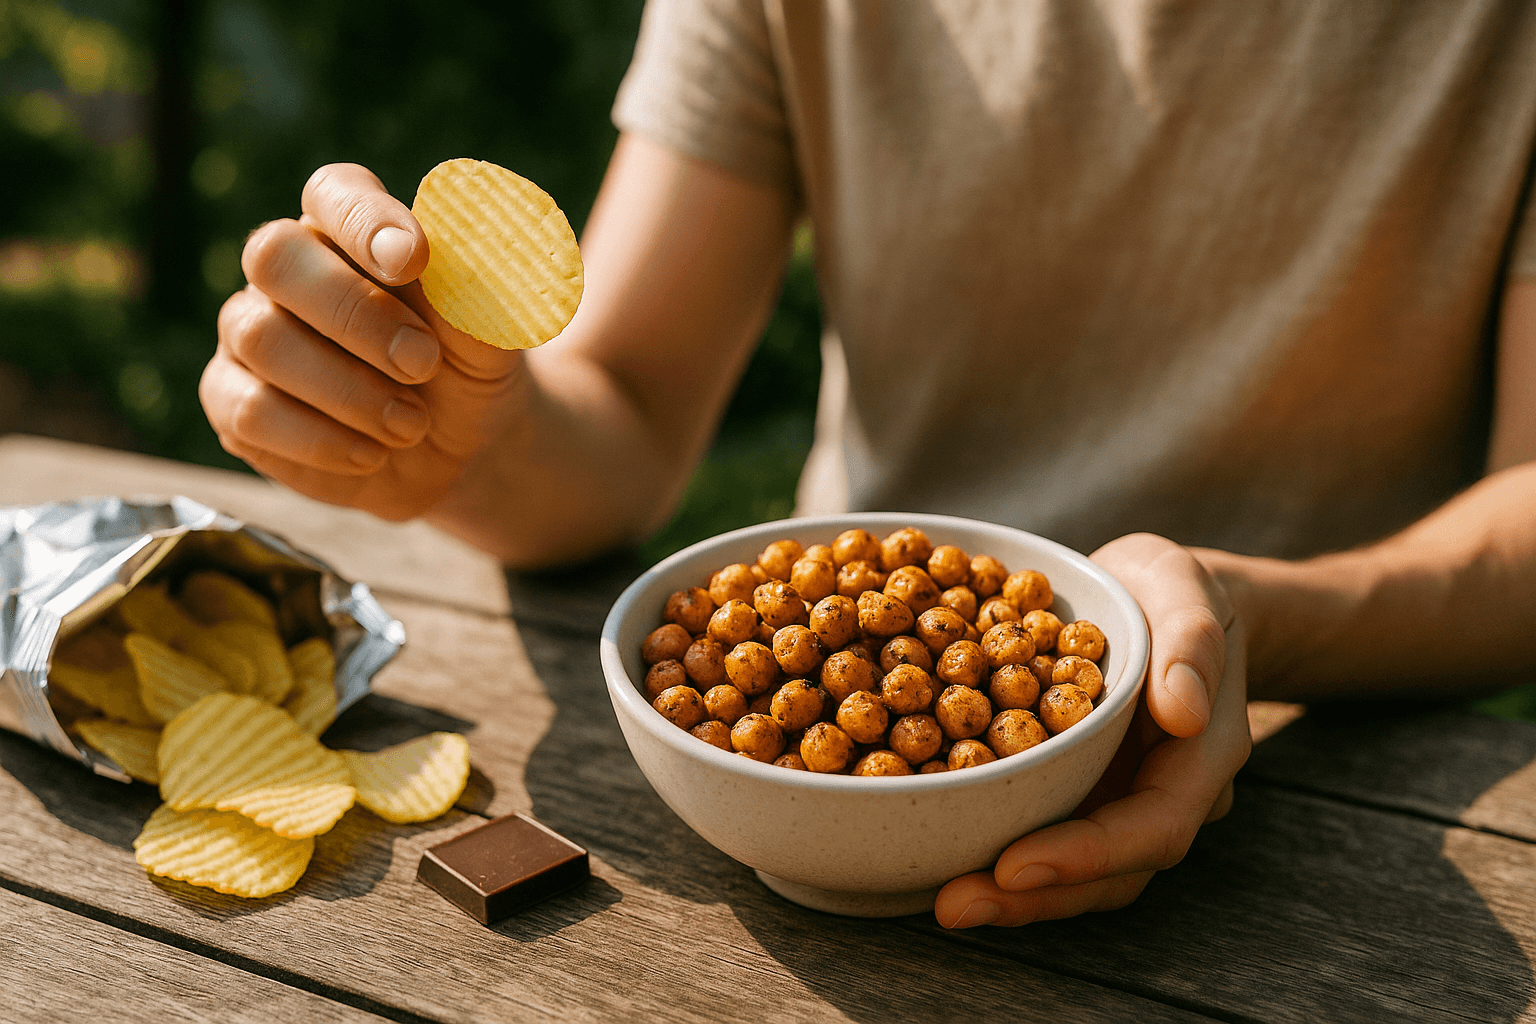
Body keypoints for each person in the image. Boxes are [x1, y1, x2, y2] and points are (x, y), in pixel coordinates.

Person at [200, 2, 1536, 929]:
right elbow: (622, 413)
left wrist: (1260, 624)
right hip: (799, 759)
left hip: (1351, 796)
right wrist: (457, 439)